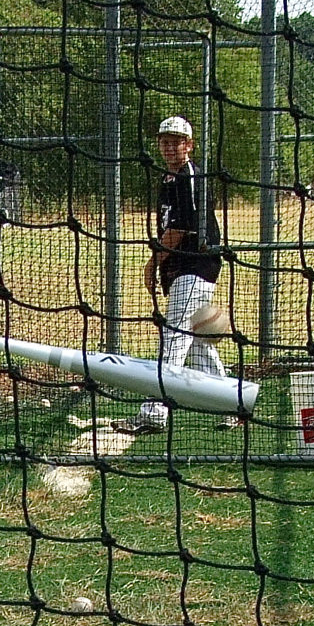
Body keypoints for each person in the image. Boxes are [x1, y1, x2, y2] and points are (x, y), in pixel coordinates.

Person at [114, 115, 229, 434]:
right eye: (164, 141)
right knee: (196, 341)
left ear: (189, 145)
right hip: (183, 268)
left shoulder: (188, 176)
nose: (169, 147)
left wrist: (154, 262)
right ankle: (233, 402)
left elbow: (181, 228)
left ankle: (153, 413)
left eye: (176, 142)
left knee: (174, 337)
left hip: (196, 265)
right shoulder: (169, 177)